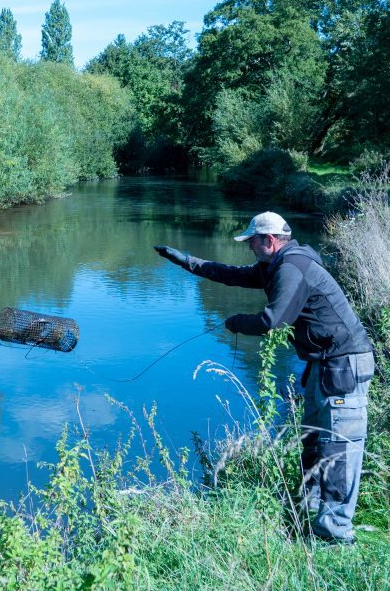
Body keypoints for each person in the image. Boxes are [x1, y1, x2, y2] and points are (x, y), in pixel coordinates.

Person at [154, 211, 374, 545]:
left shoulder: (291, 268)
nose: (249, 248)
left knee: (339, 449)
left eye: (252, 242)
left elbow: (273, 321)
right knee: (314, 441)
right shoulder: (279, 264)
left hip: (344, 366)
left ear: (269, 241)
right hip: (324, 365)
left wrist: (237, 322)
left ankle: (337, 536)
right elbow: (233, 275)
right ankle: (312, 516)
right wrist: (188, 262)